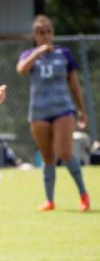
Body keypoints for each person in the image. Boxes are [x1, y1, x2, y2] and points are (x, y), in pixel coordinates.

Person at [16, 15, 90, 212]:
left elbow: (74, 84)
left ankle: (83, 194)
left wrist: (82, 111)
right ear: (35, 35)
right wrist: (38, 52)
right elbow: (21, 70)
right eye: (41, 32)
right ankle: (49, 200)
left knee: (65, 153)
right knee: (47, 157)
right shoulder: (29, 54)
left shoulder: (64, 54)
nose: (46, 36)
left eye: (49, 31)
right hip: (39, 112)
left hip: (63, 109)